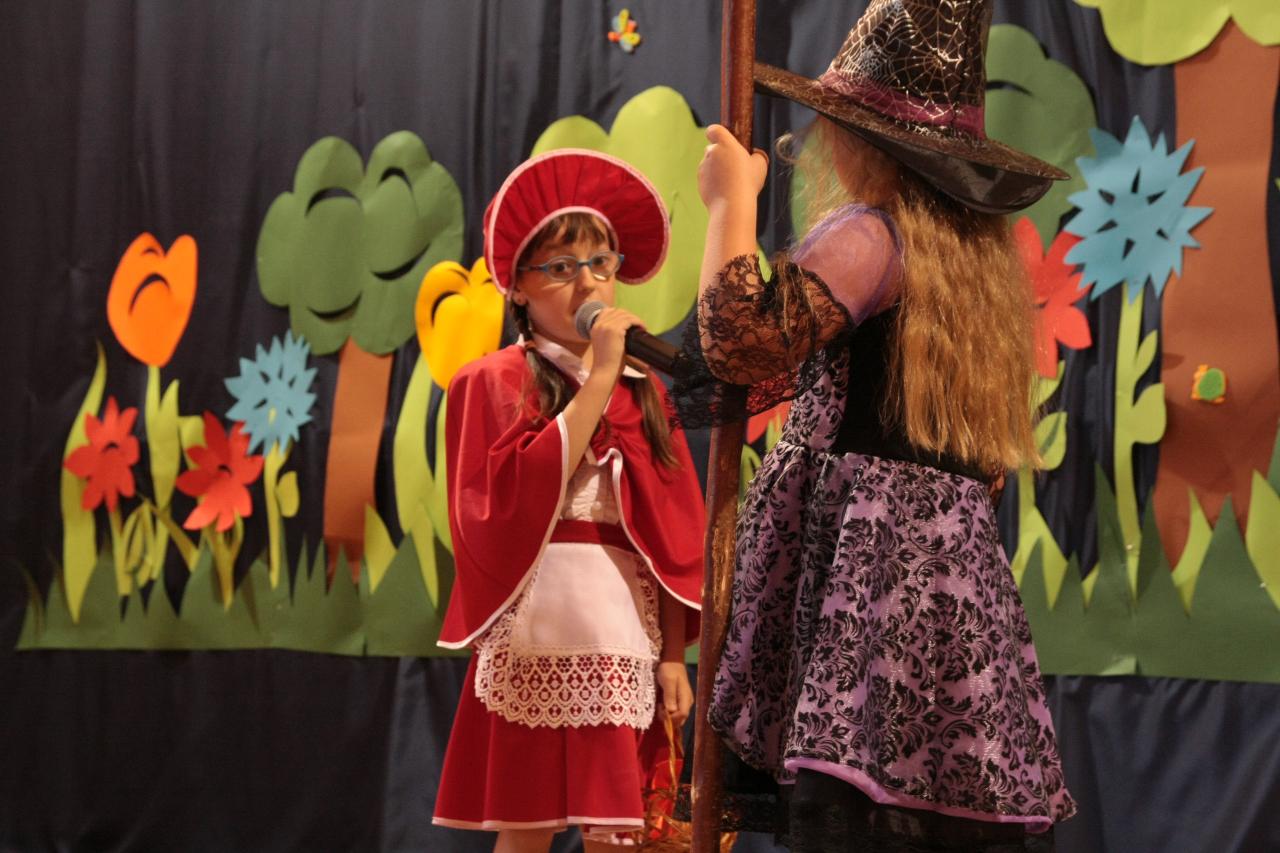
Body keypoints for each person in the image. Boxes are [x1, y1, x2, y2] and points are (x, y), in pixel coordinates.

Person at [682, 0, 1078, 850]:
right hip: (944, 581)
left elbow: (743, 342)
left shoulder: (872, 236)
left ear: (867, 142)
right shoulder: (972, 263)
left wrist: (729, 206)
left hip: (871, 576)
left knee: (858, 799)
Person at [431, 149, 705, 853]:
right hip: (536, 636)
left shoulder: (646, 392)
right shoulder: (490, 382)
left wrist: (673, 656)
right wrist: (601, 377)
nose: (587, 282)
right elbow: (505, 503)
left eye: (601, 263)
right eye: (560, 266)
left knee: (623, 836)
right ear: (517, 287)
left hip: (623, 636)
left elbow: (671, 535)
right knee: (526, 831)